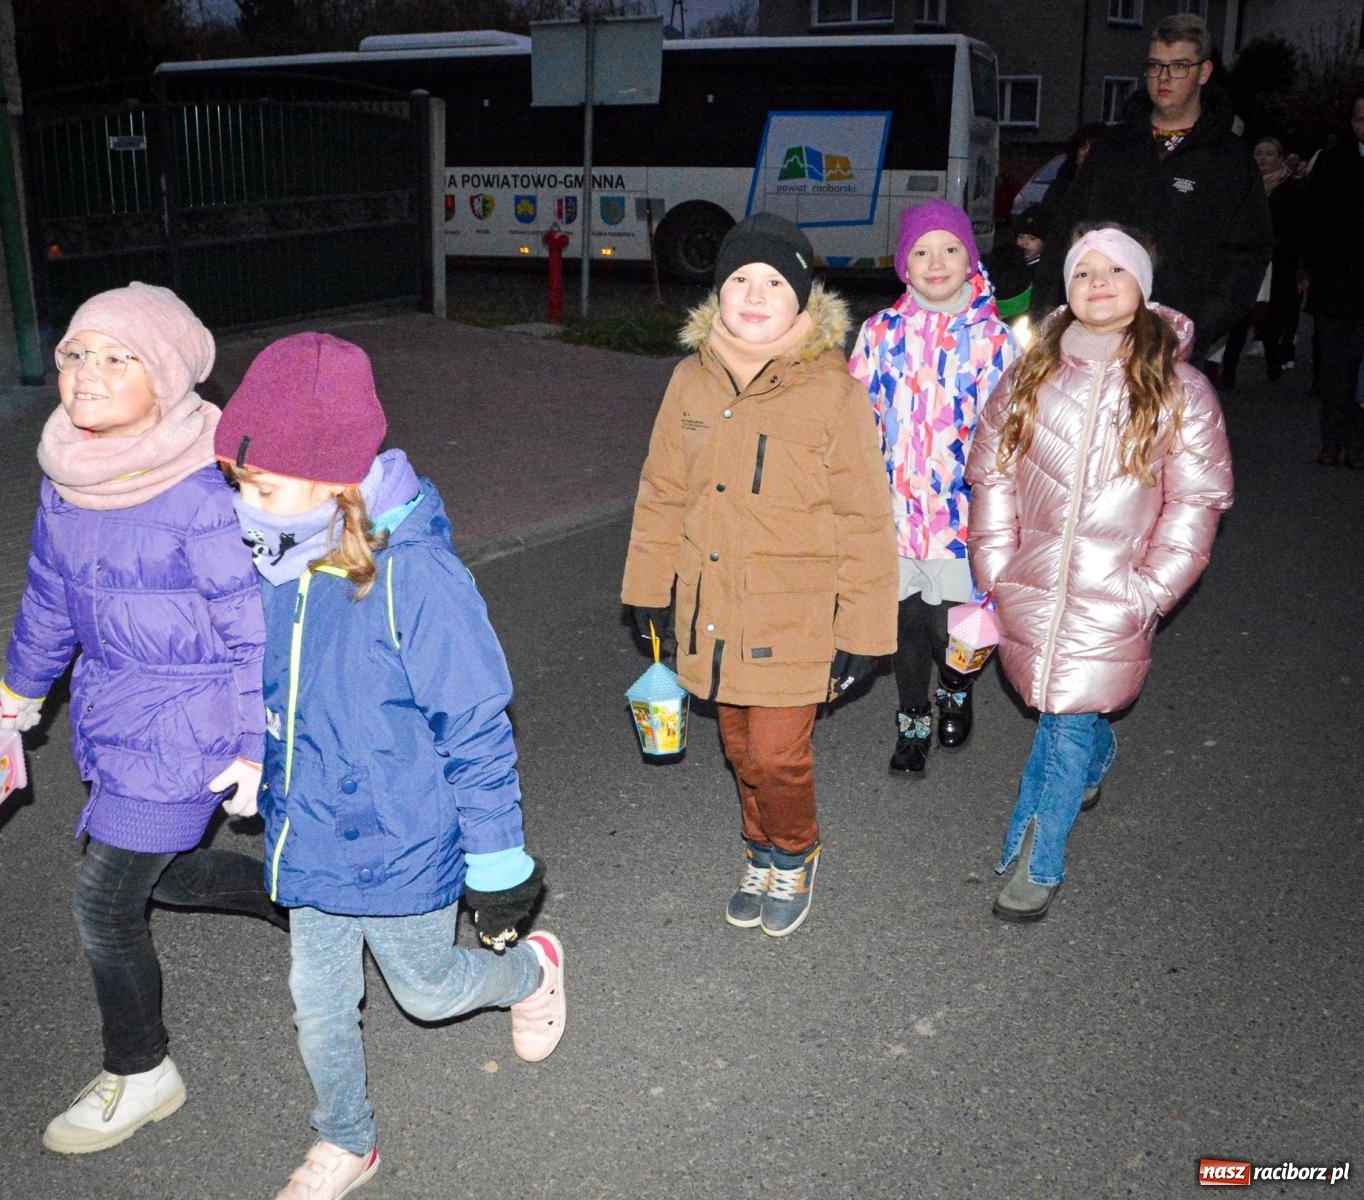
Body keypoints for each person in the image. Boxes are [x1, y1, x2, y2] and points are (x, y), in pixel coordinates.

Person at [214, 332, 564, 1199]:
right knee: (318, 1001)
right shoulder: (279, 558)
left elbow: (475, 728)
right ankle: (345, 1139)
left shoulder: (420, 579)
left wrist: (498, 863)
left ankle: (532, 971)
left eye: (261, 486)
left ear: (333, 479)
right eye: (239, 484)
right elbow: (272, 680)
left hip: (404, 834)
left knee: (428, 990)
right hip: (311, 831)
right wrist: (255, 755)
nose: (245, 506)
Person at [0, 282, 277, 1154]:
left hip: (192, 724)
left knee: (105, 902)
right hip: (116, 711)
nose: (88, 373)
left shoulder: (203, 492)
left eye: (119, 359)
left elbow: (251, 632)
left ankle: (142, 1069)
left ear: (166, 378)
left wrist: (252, 744)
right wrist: (23, 686)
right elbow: (50, 595)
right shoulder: (69, 476)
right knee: (174, 877)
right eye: (77, 353)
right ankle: (312, 897)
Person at [621, 213, 896, 938]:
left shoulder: (833, 392)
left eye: (774, 282)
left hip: (795, 613)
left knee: (777, 755)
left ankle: (796, 851)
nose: (753, 293)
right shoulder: (689, 381)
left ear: (802, 298)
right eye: (740, 278)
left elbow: (865, 517)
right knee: (740, 749)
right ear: (718, 290)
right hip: (711, 605)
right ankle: (760, 848)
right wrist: (648, 589)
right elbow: (662, 492)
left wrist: (864, 629)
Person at [967, 226, 1234, 922]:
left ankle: (1039, 859)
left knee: (1062, 721)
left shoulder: (1180, 388)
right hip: (1030, 580)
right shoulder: (1031, 373)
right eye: (1083, 272)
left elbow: (1198, 501)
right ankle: (1096, 752)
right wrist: (995, 564)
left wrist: (1151, 589)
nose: (1098, 284)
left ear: (1142, 286)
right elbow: (992, 472)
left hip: (1115, 591)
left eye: (1116, 270)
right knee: (1063, 708)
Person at [849, 198, 1020, 776]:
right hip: (893, 514)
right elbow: (856, 417)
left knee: (951, 625)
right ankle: (913, 717)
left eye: (950, 249)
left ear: (970, 259)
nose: (937, 262)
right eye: (921, 252)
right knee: (905, 626)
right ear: (904, 265)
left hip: (961, 518)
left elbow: (1014, 429)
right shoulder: (879, 333)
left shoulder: (995, 340)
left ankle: (956, 686)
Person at [1030, 14, 1272, 361]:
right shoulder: (1112, 148)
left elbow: (1247, 255)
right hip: (1096, 332)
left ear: (1204, 72)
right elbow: (1065, 232)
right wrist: (1045, 317)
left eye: (1179, 66)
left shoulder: (1228, 159)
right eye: (1155, 65)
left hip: (1175, 341)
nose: (1163, 77)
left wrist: (1197, 328)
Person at [1302, 95, 1364, 467]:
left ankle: (1358, 442)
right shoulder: (1332, 161)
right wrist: (1310, 268)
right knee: (1335, 366)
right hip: (1335, 282)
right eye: (1360, 119)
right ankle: (1332, 439)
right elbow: (1312, 219)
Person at [1218, 136, 1306, 388]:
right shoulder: (1244, 185)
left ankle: (1273, 357)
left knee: (1271, 317)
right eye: (1259, 153)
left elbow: (1298, 227)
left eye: (1269, 153)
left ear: (1280, 158)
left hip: (1278, 262)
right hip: (1246, 260)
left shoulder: (1292, 189)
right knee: (1239, 317)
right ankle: (1228, 373)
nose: (1263, 158)